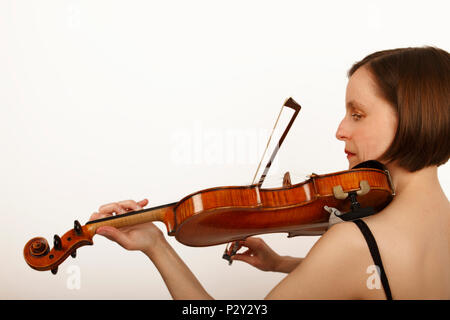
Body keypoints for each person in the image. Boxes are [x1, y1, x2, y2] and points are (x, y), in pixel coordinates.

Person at [89, 46, 450, 299]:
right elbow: (366, 280)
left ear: (412, 119)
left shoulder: (355, 244)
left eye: (357, 114)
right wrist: (281, 264)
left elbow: (357, 265)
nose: (340, 129)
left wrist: (156, 246)